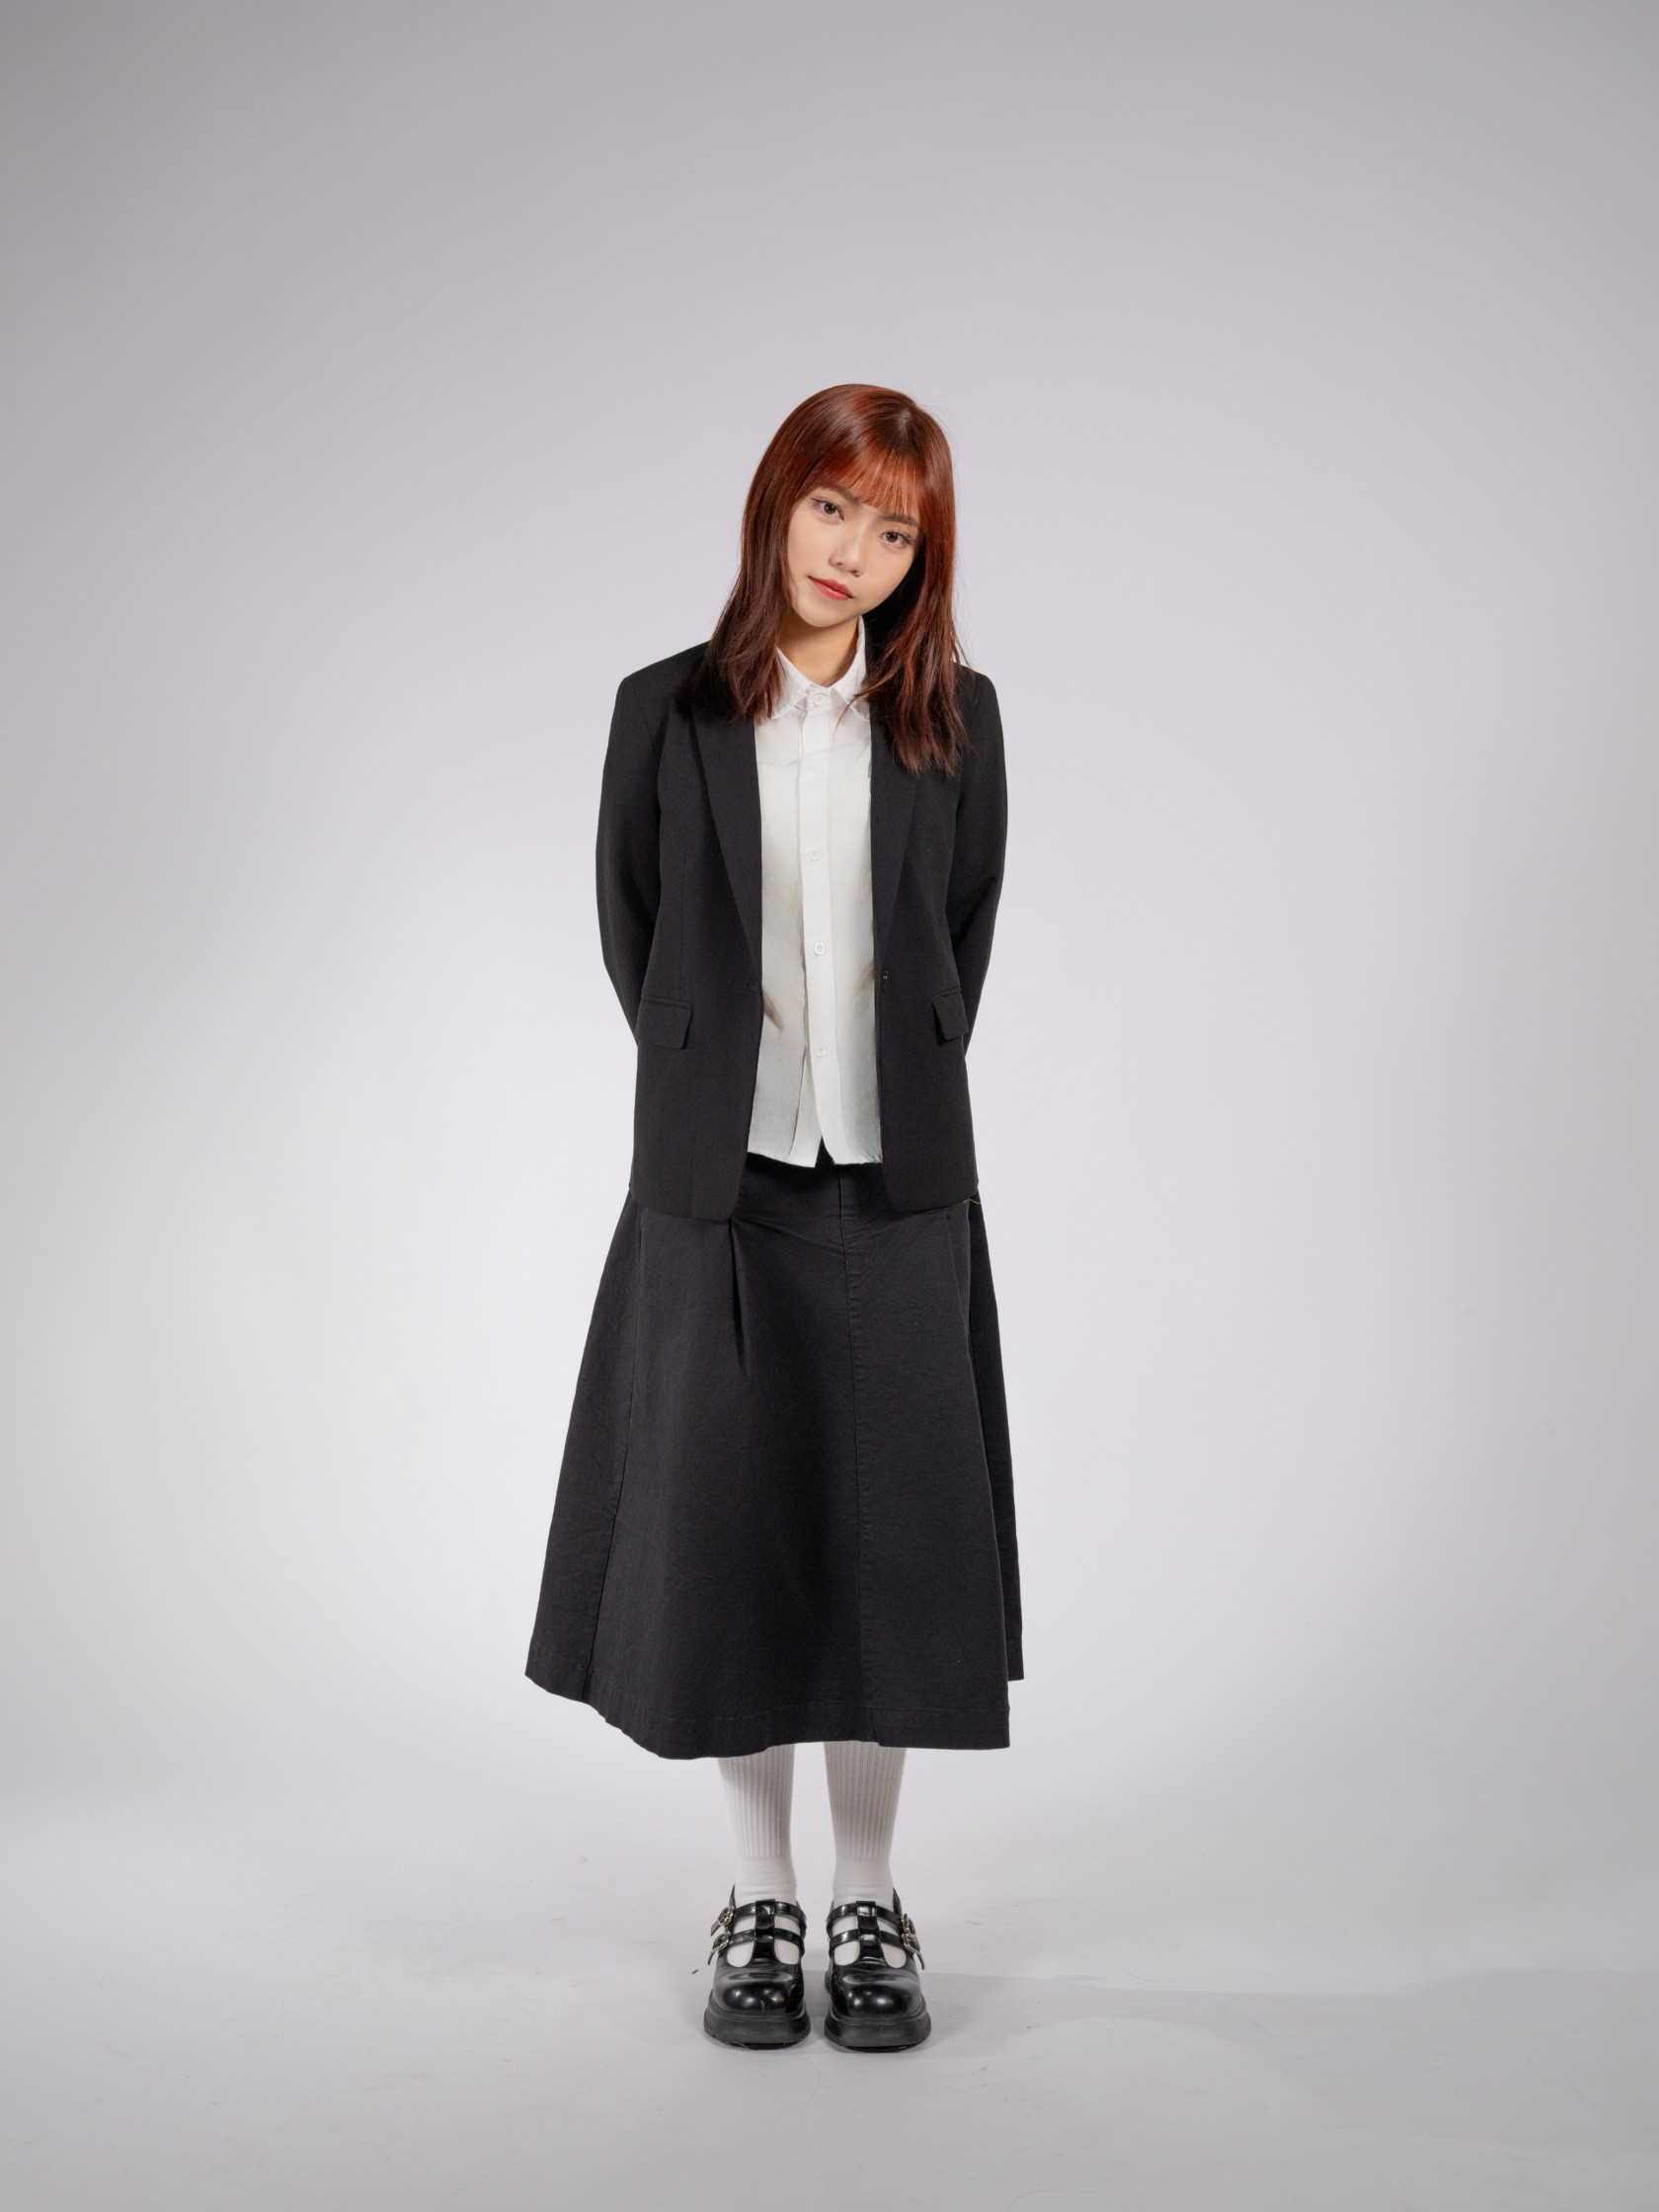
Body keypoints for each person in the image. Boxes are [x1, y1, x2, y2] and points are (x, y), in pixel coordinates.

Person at [526, 384, 1019, 2051]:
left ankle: (869, 1896)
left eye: (896, 531)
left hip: (898, 1181)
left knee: (893, 1546)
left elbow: (960, 933)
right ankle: (757, 1897)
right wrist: (714, 1082)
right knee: (730, 1541)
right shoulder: (663, 712)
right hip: (717, 1188)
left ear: (921, 558)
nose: (854, 551)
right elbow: (635, 928)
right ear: (776, 504)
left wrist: (886, 1081)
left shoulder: (957, 720)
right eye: (833, 508)